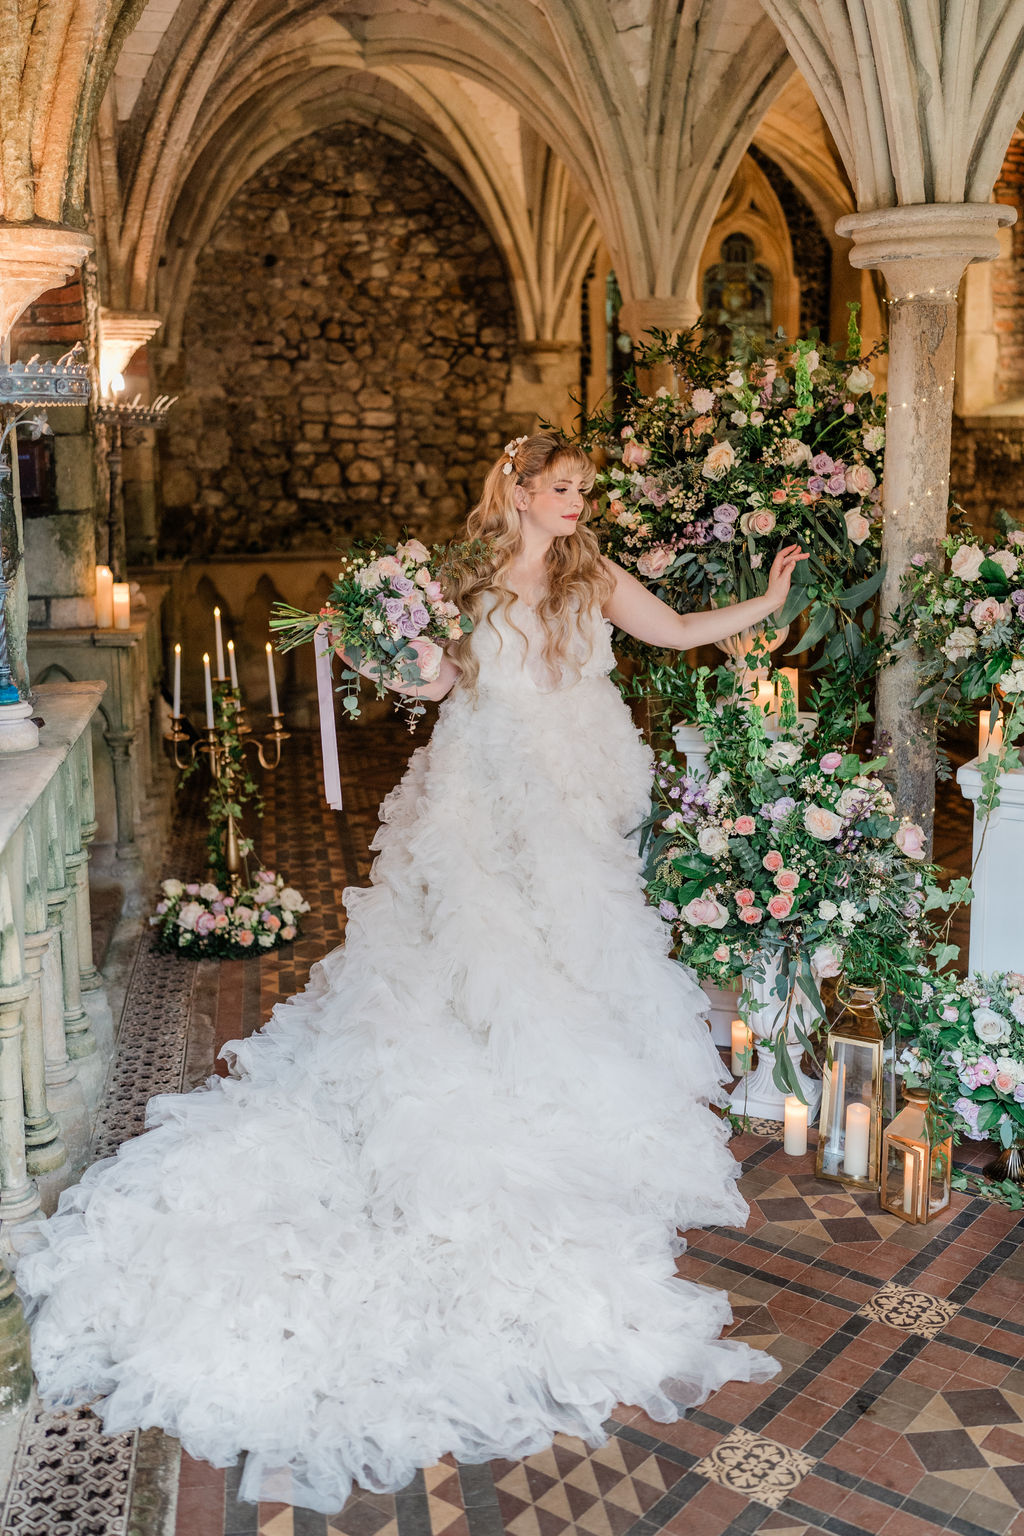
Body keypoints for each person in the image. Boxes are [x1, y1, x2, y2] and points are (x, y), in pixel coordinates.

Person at [15, 433, 805, 1515]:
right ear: (518, 492)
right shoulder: (468, 576)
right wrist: (370, 642)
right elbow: (435, 677)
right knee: (475, 949)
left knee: (579, 943)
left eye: (582, 491)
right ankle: (489, 1083)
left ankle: (564, 1085)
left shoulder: (593, 575)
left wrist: (763, 602)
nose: (577, 504)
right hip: (482, 791)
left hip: (572, 791)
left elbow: (670, 630)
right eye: (563, 489)